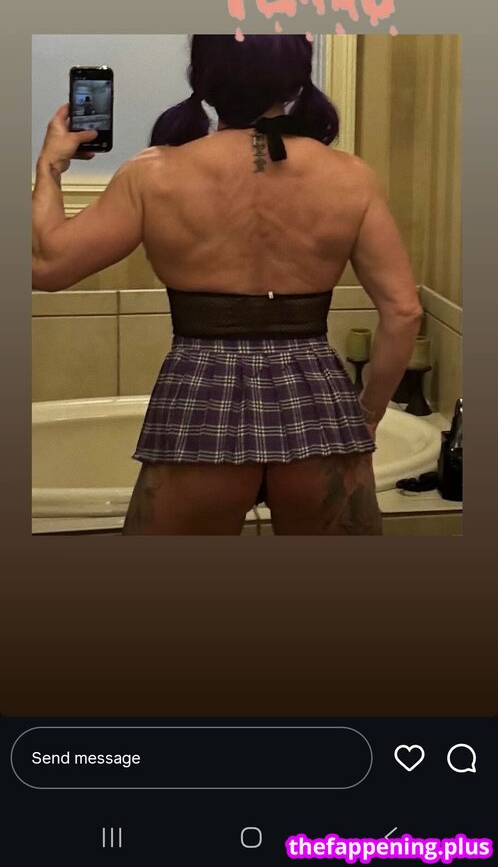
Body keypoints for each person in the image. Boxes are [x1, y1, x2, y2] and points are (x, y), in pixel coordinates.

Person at [32, 35, 422, 536]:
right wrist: (367, 415)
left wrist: (51, 165)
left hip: (199, 401)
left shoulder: (152, 174)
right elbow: (404, 312)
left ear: (204, 78)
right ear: (296, 79)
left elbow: (48, 267)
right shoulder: (352, 177)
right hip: (318, 407)